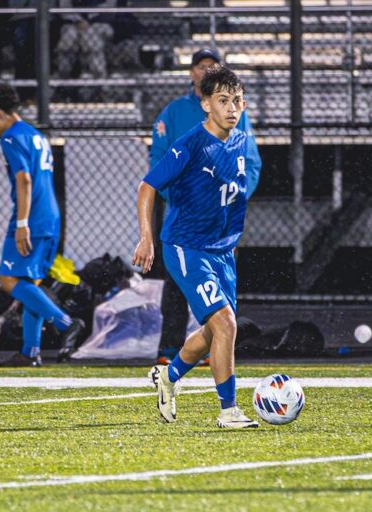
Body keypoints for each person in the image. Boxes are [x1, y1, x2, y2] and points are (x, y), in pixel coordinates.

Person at [133, 66, 260, 428]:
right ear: (205, 104)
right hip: (187, 247)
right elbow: (147, 186)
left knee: (212, 333)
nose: (231, 108)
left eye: (237, 100)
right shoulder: (190, 144)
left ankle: (169, 376)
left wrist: (231, 240)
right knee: (226, 323)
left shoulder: (240, 139)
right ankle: (228, 411)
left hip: (222, 251)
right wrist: (146, 236)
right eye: (222, 100)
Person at [149, 48, 262, 365]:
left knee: (224, 309)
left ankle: (206, 354)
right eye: (201, 66)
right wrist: (183, 196)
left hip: (222, 226)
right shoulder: (174, 113)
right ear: (192, 74)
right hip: (185, 223)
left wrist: (231, 197)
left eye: (212, 66)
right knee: (175, 286)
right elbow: (157, 164)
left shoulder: (237, 121)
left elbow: (250, 164)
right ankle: (168, 351)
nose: (205, 71)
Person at [0, 82, 84, 367]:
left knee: (9, 280)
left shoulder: (11, 137)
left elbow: (24, 179)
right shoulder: (36, 135)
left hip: (32, 218)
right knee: (29, 286)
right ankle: (30, 351)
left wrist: (21, 223)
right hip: (51, 216)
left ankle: (66, 323)